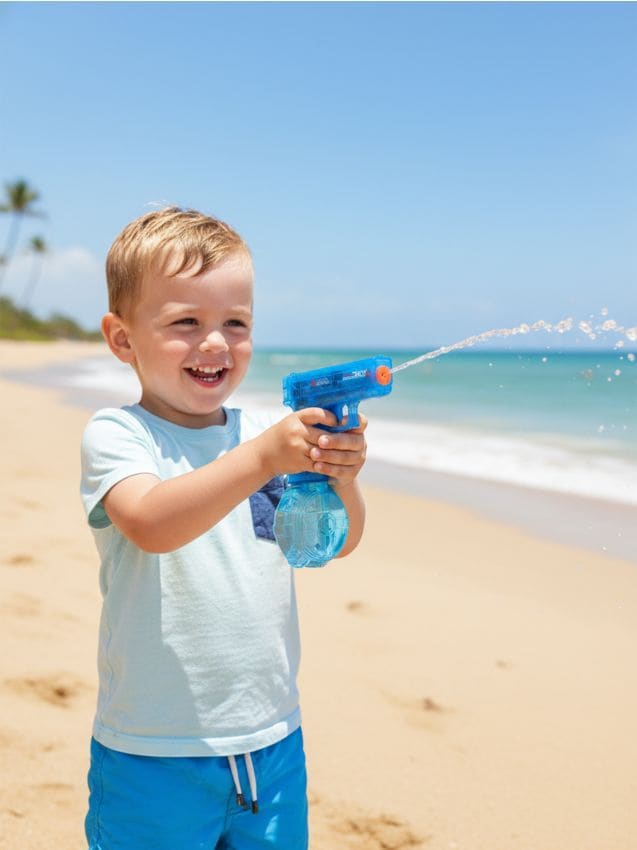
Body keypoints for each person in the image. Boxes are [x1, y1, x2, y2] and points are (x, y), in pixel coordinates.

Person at [80, 206, 368, 849]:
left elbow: (333, 543)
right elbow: (152, 523)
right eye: (186, 322)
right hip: (152, 749)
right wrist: (265, 455)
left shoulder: (260, 433)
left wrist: (341, 478)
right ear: (122, 339)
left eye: (235, 324)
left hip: (271, 739)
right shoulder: (120, 434)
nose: (215, 343)